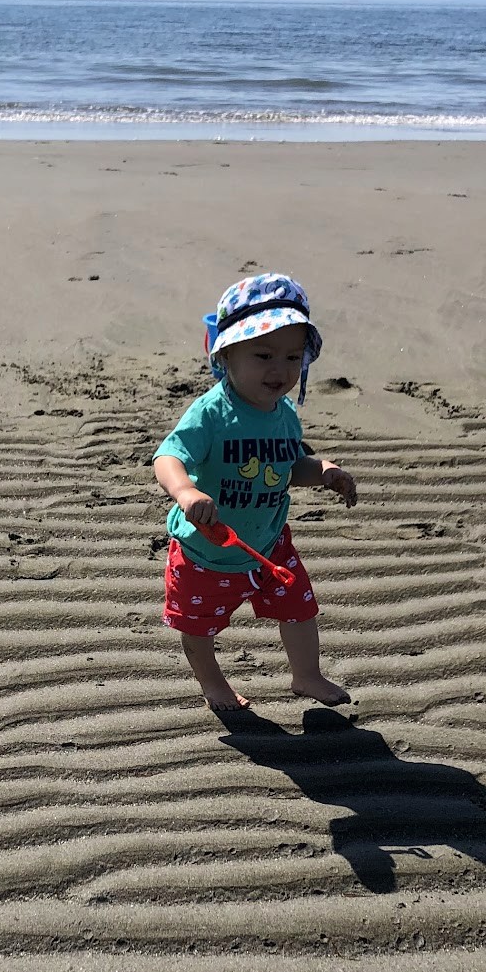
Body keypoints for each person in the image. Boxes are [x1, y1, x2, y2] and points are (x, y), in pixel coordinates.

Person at [153, 272, 356, 713]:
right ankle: (214, 685)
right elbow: (167, 457)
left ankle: (306, 676)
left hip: (269, 544)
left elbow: (285, 469)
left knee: (301, 611)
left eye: (292, 356)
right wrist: (185, 492)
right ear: (225, 354)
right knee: (199, 627)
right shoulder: (212, 413)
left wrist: (324, 471)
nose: (279, 369)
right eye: (263, 355)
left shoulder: (283, 412)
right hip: (208, 550)